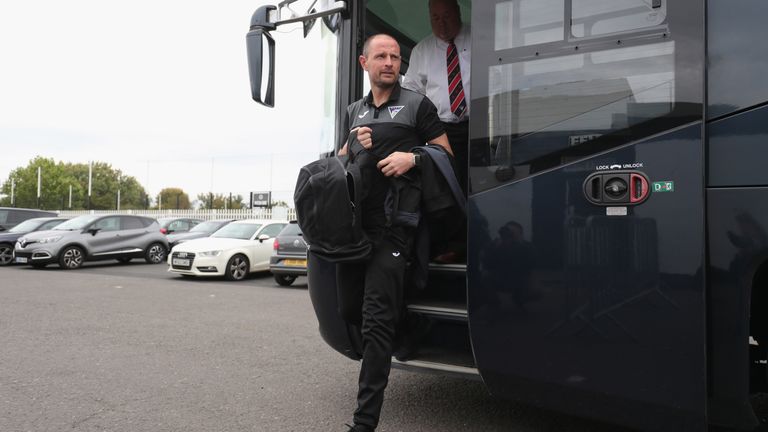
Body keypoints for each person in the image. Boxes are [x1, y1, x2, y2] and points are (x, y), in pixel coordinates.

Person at [336, 34, 452, 432]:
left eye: (395, 56)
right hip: (357, 231)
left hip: (395, 228)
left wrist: (413, 157)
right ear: (363, 63)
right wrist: (353, 146)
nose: (389, 62)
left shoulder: (418, 105)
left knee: (375, 322)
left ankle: (363, 424)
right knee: (349, 310)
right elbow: (341, 164)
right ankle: (413, 329)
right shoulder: (354, 110)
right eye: (381, 56)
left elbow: (446, 156)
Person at [402, 0, 470, 195]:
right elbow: (410, 94)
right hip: (442, 131)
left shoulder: (480, 37)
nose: (442, 23)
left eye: (446, 16)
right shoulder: (421, 51)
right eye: (436, 18)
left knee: (478, 184)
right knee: (448, 188)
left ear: (458, 12)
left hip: (480, 125)